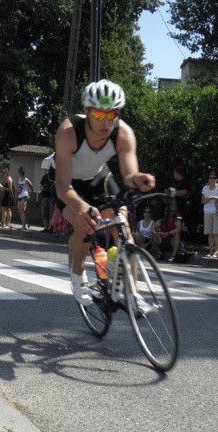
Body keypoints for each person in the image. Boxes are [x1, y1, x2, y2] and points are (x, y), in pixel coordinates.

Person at [53, 79, 155, 306]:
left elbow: (129, 175)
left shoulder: (124, 134)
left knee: (123, 226)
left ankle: (132, 293)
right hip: (68, 185)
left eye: (112, 114)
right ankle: (78, 277)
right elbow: (62, 185)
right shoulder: (69, 133)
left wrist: (138, 179)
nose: (106, 122)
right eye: (100, 115)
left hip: (99, 178)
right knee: (86, 225)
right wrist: (82, 207)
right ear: (87, 112)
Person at [200, 171, 218, 259]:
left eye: (213, 178)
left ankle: (216, 251)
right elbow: (202, 201)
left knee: (216, 233)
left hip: (217, 211)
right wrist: (206, 200)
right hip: (207, 211)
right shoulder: (205, 188)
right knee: (209, 233)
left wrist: (215, 198)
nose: (212, 179)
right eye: (210, 178)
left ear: (216, 179)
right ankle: (210, 251)